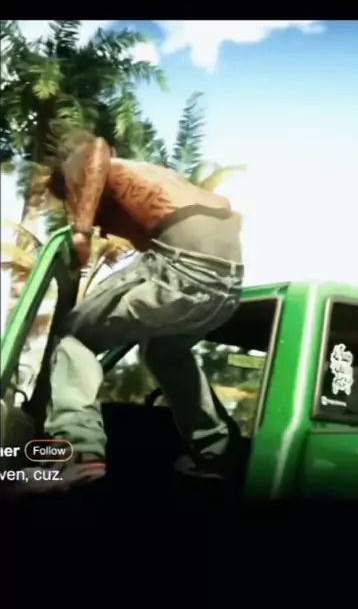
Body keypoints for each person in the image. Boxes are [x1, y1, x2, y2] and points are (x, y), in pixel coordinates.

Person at [29, 131, 244, 489]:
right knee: (165, 352)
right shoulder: (164, 181)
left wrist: (81, 229)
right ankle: (215, 454)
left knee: (74, 338)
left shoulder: (93, 164)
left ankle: (76, 453)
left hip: (183, 268)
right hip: (226, 285)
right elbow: (226, 211)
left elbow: (96, 149)